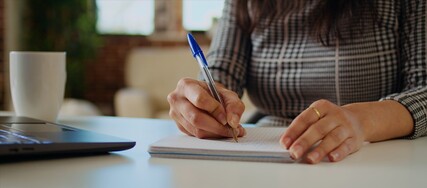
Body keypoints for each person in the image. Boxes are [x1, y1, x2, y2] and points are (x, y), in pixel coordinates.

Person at [167, 0, 427, 164]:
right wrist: (206, 101)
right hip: (265, 153)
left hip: (376, 155)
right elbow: (222, 70)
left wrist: (362, 120)